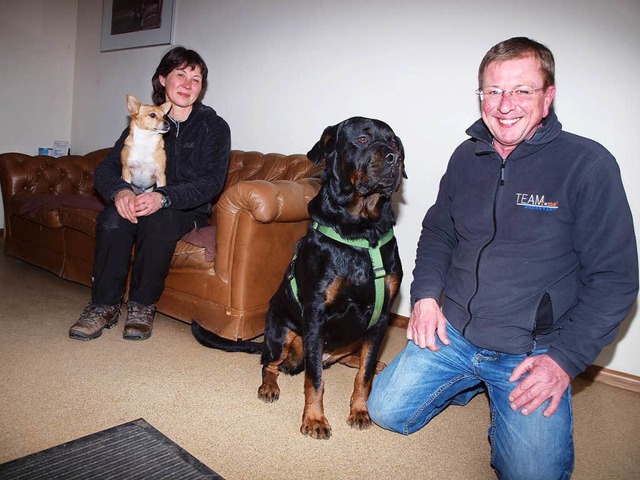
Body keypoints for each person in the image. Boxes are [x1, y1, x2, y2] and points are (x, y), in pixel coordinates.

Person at [367, 37, 638, 479]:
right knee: (385, 411)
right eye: (493, 91)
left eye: (522, 90)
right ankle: (471, 383)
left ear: (547, 97)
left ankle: (502, 400)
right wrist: (427, 296)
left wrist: (564, 361)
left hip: (529, 352)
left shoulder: (588, 165)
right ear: (480, 97)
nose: (505, 104)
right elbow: (438, 231)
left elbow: (616, 278)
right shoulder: (465, 157)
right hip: (453, 332)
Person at [69, 46, 231, 341]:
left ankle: (142, 305)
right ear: (162, 80)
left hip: (185, 209)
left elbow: (212, 183)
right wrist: (120, 192)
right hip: (138, 194)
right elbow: (105, 170)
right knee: (113, 219)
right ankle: (103, 305)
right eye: (179, 75)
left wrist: (164, 197)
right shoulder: (142, 121)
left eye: (196, 79)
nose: (187, 84)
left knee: (158, 222)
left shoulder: (214, 128)